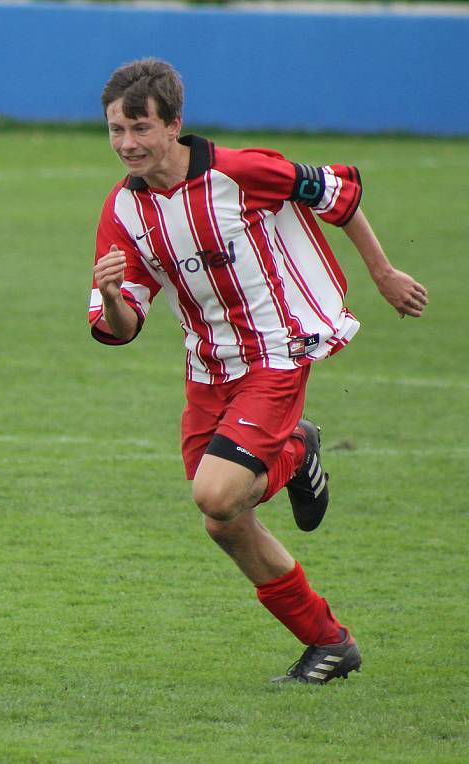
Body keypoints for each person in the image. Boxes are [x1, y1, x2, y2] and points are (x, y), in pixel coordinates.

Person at [87, 58, 428, 683]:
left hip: (274, 351)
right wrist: (111, 295)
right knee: (223, 519)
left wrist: (382, 272)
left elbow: (340, 192)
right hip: (207, 366)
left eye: (139, 128)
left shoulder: (240, 172)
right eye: (115, 130)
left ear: (174, 125)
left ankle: (295, 447)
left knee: (215, 493)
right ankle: (329, 642)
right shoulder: (124, 211)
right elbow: (121, 324)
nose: (127, 143)